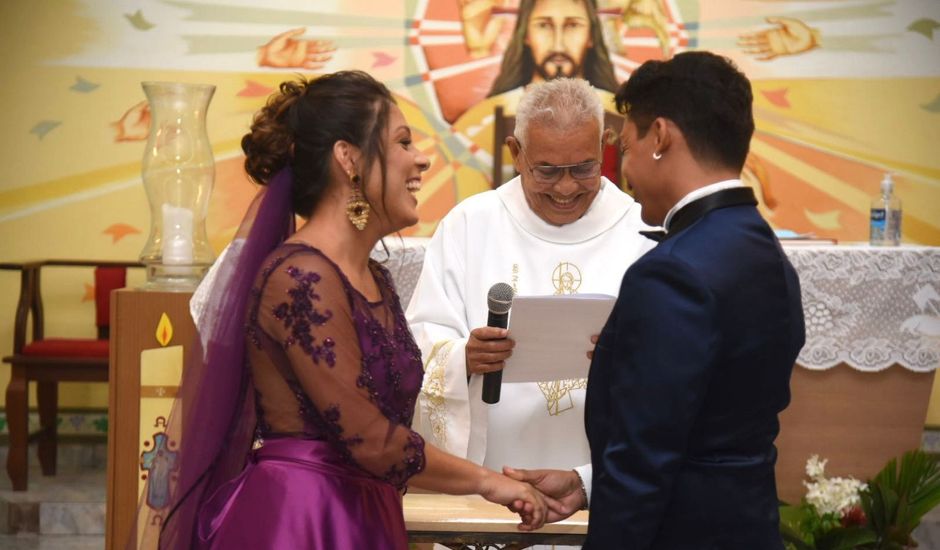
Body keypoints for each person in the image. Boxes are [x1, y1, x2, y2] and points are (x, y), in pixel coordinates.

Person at [135, 70, 549, 550]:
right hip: (302, 518)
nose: (421, 159)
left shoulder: (376, 279)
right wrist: (487, 481)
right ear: (348, 159)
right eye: (402, 142)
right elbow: (370, 439)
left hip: (364, 512)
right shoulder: (300, 279)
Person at [505, 51, 807, 548]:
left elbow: (645, 458)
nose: (623, 171)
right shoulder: (763, 246)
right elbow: (708, 430)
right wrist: (585, 485)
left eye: (624, 148)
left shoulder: (673, 271)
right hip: (745, 522)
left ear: (661, 136)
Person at [406, 77, 653, 516]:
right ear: (514, 152)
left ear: (605, 146)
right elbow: (419, 342)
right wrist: (463, 358)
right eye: (547, 171)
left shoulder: (642, 231)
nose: (565, 188)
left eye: (583, 168)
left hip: (604, 484)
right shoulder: (470, 225)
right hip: (494, 480)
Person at [487, 0, 618, 97]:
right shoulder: (487, 118)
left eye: (573, 25)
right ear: (525, 34)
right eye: (543, 25)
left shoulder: (619, 116)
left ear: (592, 35)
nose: (558, 45)